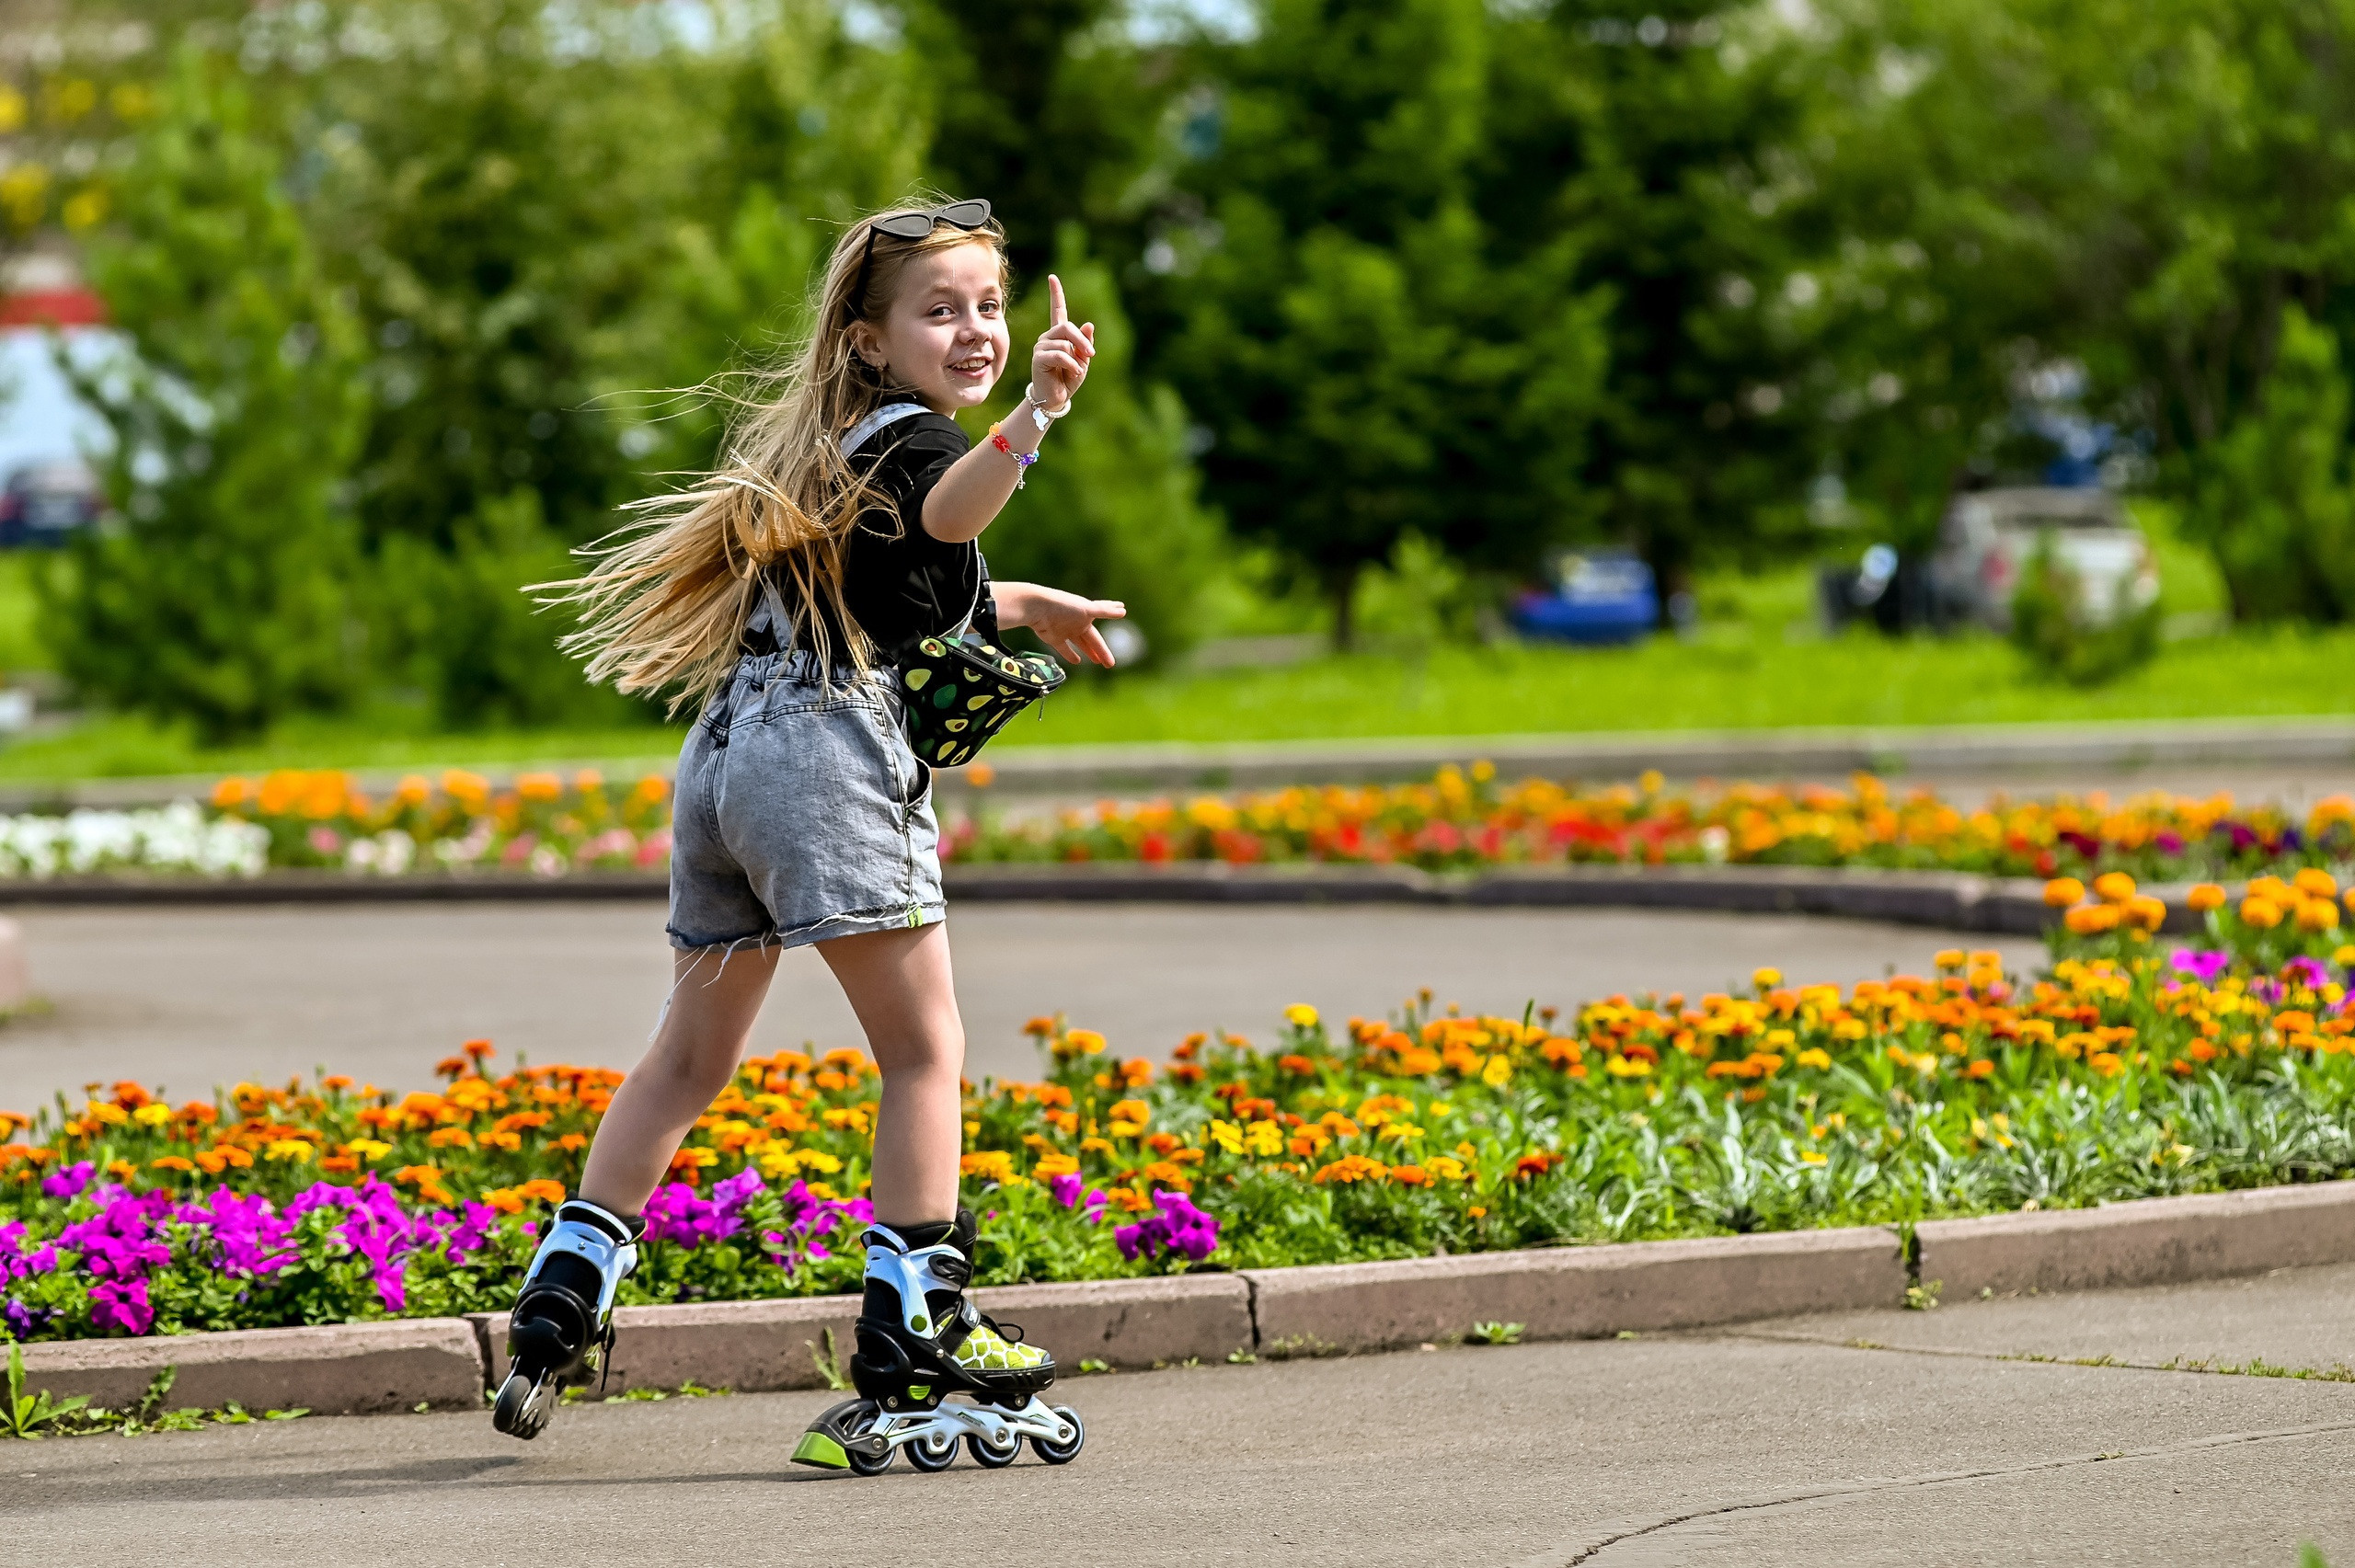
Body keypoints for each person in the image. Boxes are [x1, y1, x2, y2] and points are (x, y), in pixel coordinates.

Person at [491, 198, 1115, 1471]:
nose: (978, 327)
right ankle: (917, 1323)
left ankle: (565, 1285)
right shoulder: (929, 445)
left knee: (689, 1054)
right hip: (826, 765)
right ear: (872, 339)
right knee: (925, 1048)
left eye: (990, 305)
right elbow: (952, 508)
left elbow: (908, 578)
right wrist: (1039, 412)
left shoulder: (826, 452)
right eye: (941, 309)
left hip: (726, 764)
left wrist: (1027, 599)